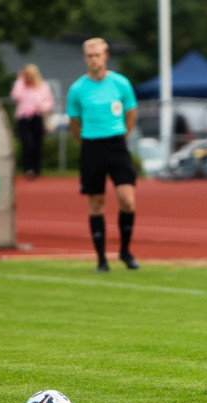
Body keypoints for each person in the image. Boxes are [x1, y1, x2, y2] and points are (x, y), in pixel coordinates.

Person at [67, 38, 139, 272]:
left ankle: (125, 251)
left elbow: (130, 115)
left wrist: (121, 136)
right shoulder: (77, 89)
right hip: (91, 147)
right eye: (89, 55)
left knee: (127, 199)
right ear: (84, 58)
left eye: (97, 55)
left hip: (116, 145)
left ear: (105, 56)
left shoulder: (120, 83)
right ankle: (101, 259)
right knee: (96, 203)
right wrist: (86, 142)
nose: (93, 59)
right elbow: (74, 124)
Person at [11, 64, 54, 180]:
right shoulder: (21, 86)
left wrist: (42, 107)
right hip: (24, 118)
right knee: (27, 144)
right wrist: (19, 80)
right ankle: (28, 168)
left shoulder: (43, 86)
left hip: (37, 117)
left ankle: (36, 169)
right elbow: (15, 96)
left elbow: (49, 102)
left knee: (37, 144)